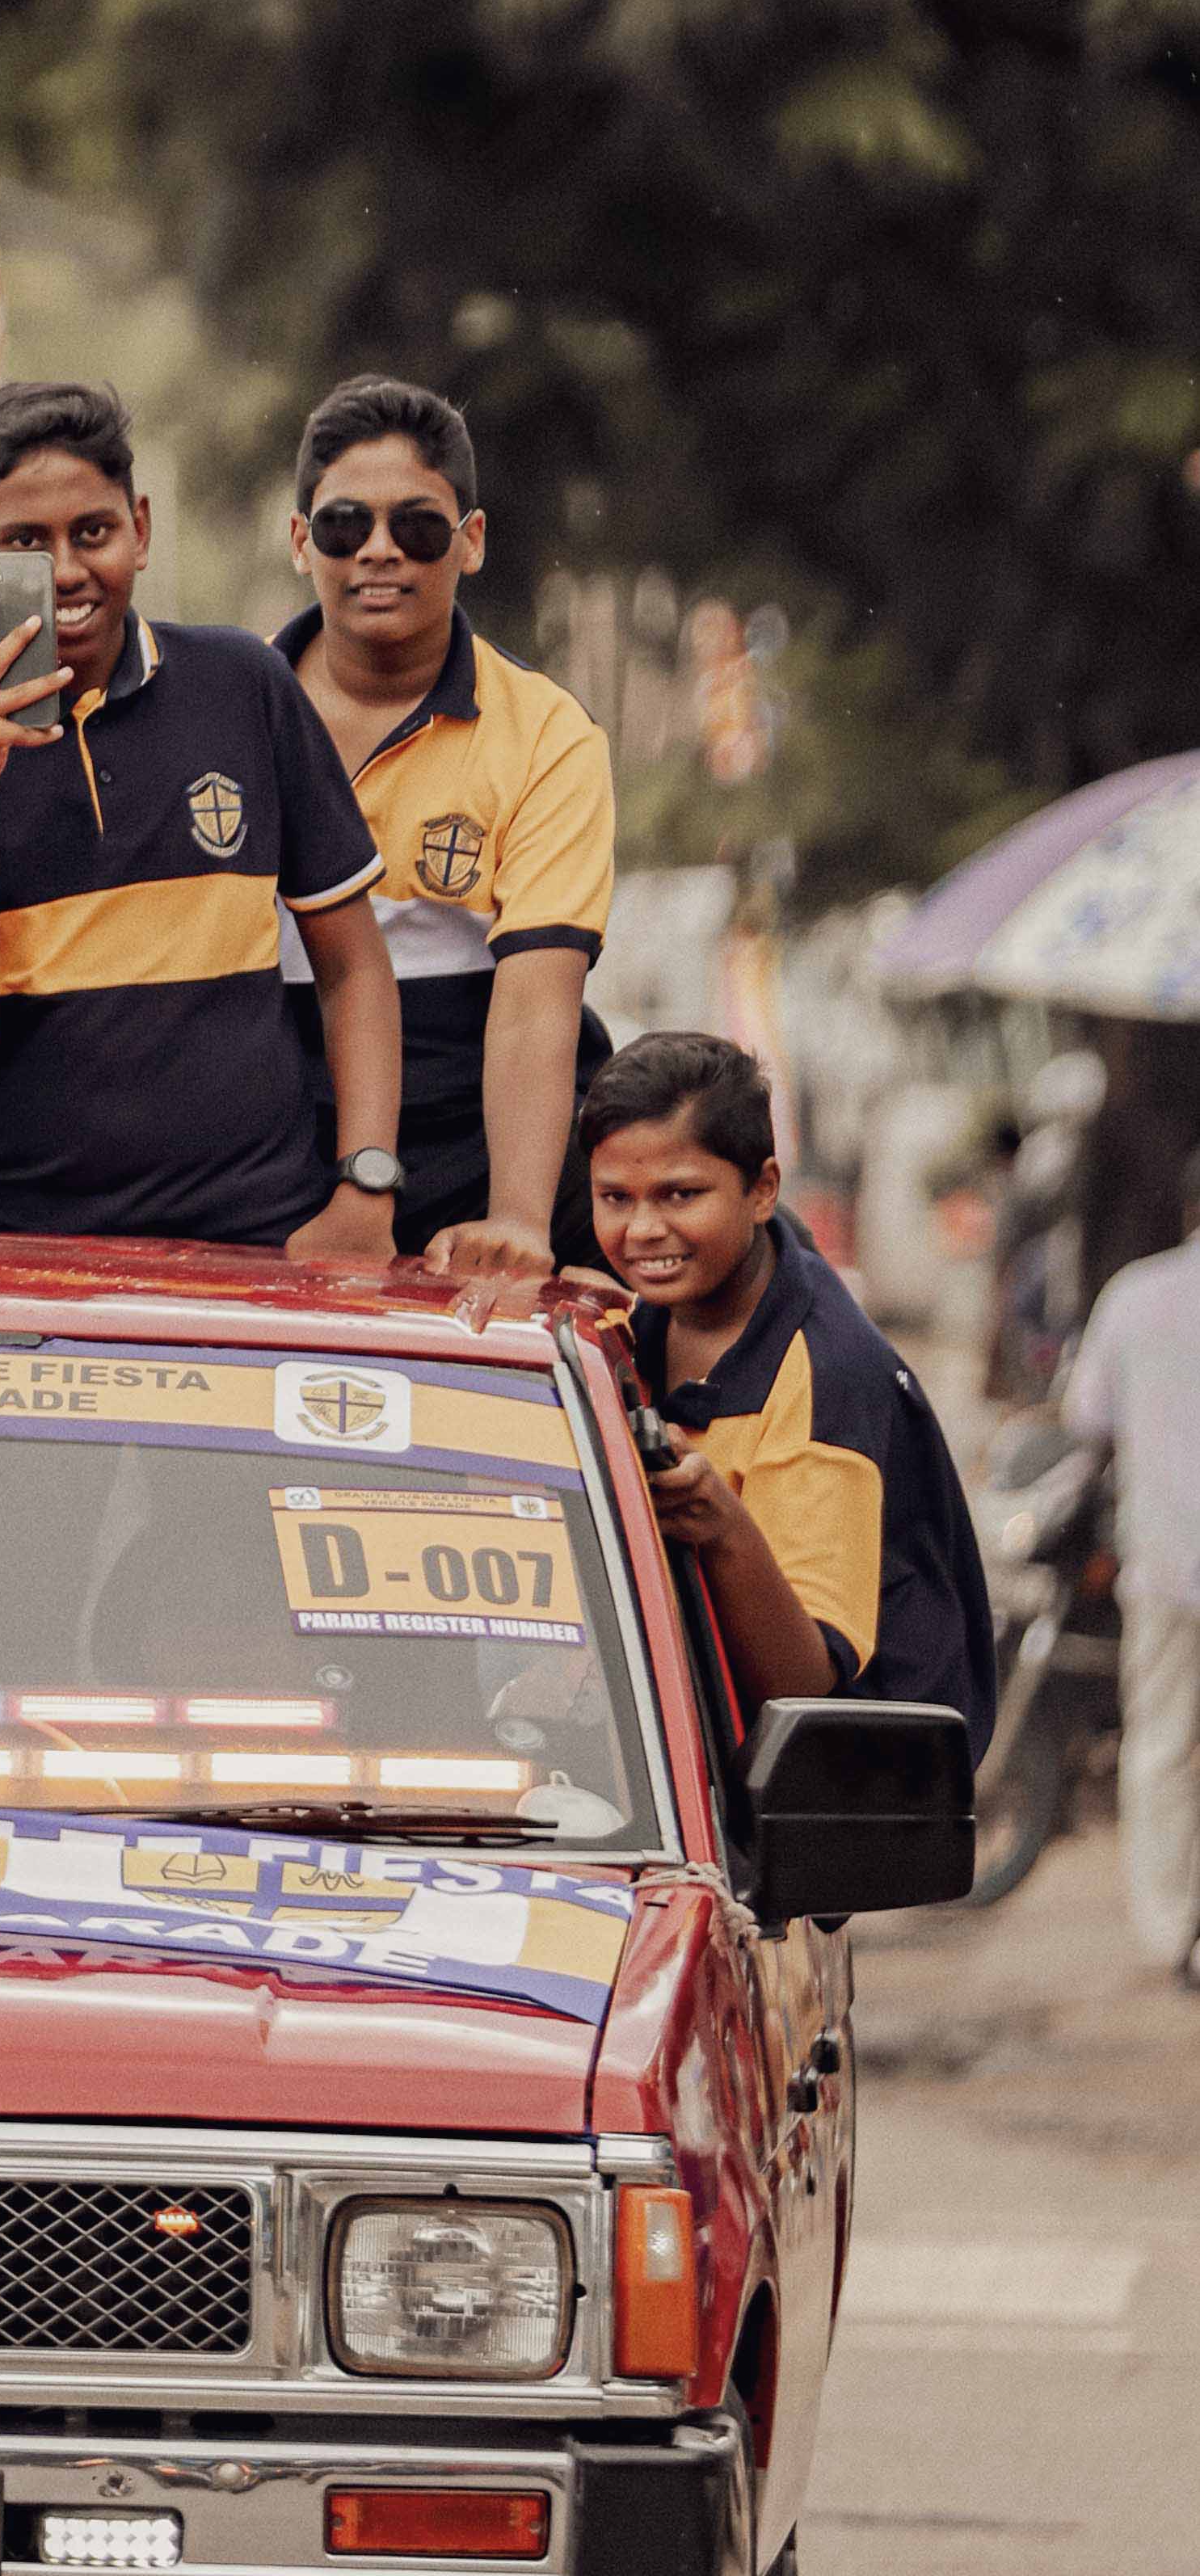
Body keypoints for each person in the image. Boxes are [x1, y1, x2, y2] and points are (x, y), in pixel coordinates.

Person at [0, 377, 404, 1252]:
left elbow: (353, 967)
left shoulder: (244, 686)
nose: (69, 570)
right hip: (14, 1254)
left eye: (93, 532)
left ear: (140, 530)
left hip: (256, 1239)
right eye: (26, 542)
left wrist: (366, 1186)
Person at [276, 374, 614, 1274]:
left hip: (489, 1151)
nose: (378, 552)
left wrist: (515, 1219)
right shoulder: (231, 714)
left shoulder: (547, 735)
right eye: (346, 526)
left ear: (469, 543)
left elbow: (536, 1004)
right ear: (301, 541)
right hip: (273, 1159)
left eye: (416, 527)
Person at [583, 1027, 996, 1749]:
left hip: (851, 1795)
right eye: (616, 1197)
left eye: (681, 1194)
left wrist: (723, 1528)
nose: (644, 1229)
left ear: (762, 1190)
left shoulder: (829, 1377)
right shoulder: (633, 1329)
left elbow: (804, 1683)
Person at [1061, 1156, 1200, 1976]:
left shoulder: (1135, 1296)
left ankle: (1168, 1926)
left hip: (1166, 1564)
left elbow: (1086, 1417)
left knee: (1162, 1746)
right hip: (1164, 1562)